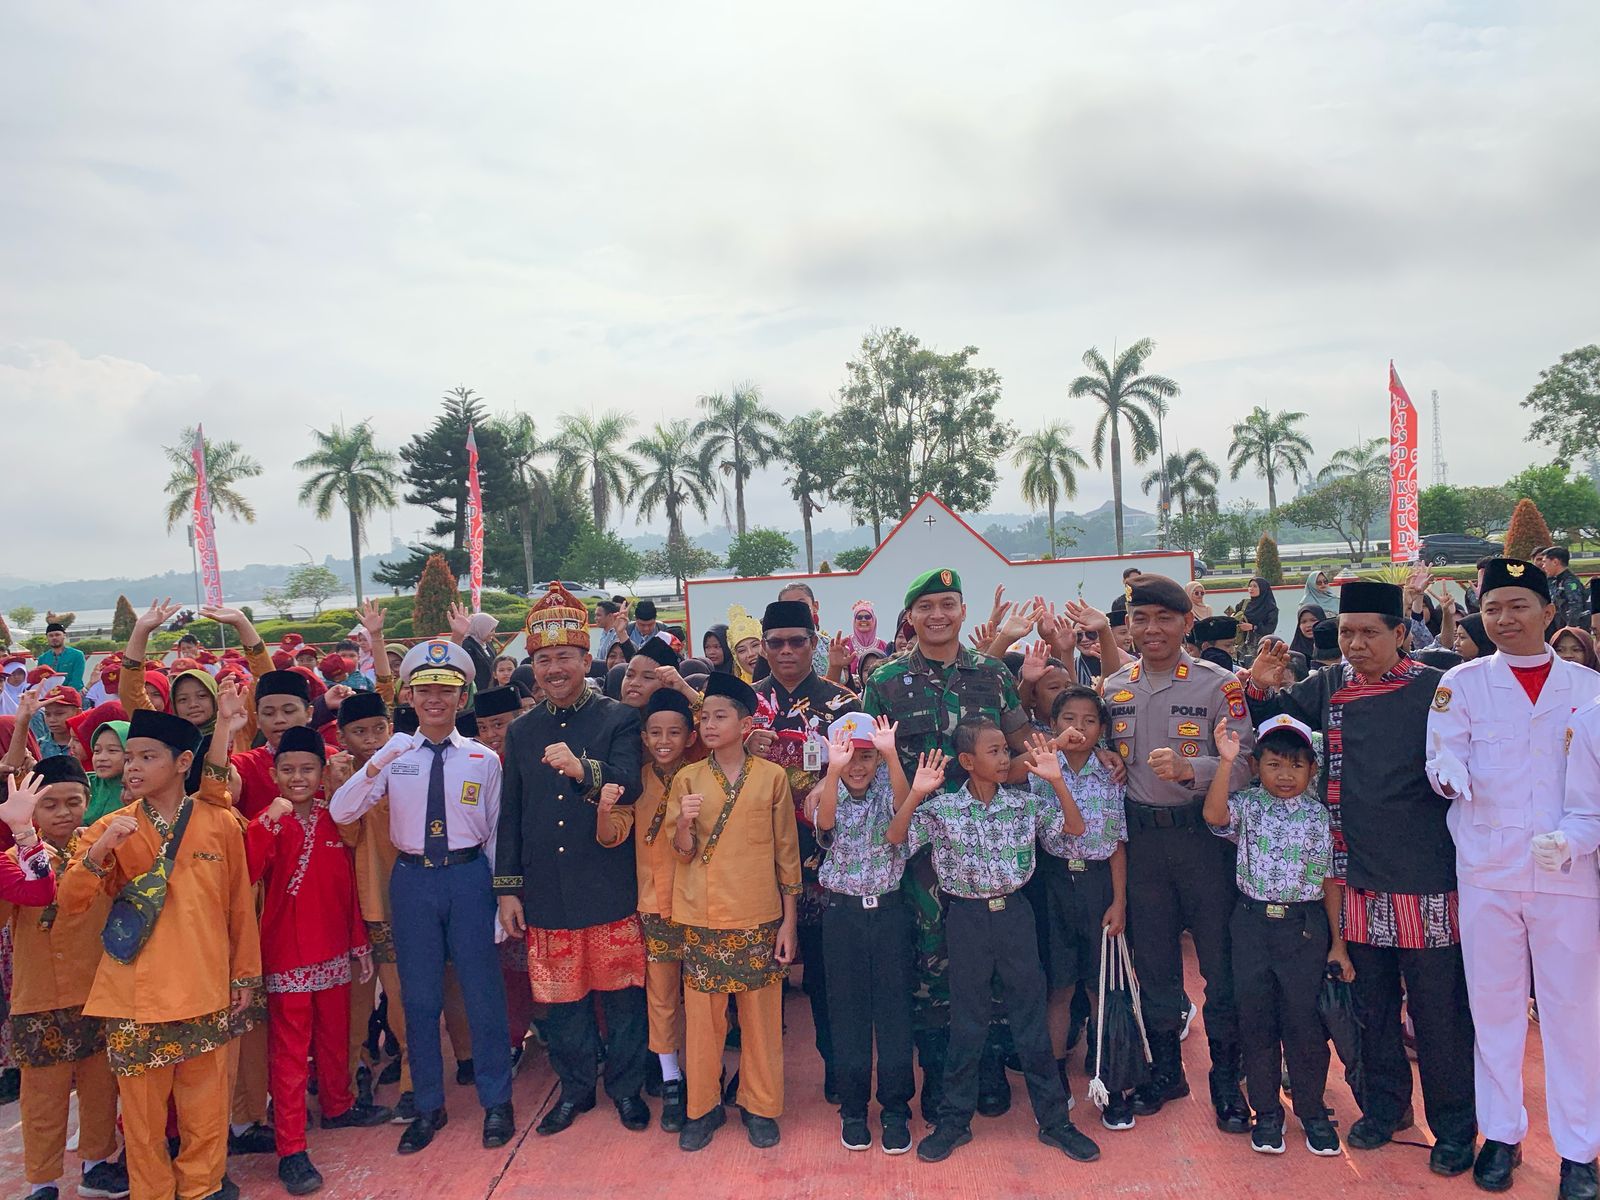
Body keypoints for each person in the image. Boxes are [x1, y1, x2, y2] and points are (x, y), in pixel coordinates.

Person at [1246, 580, 1475, 1176]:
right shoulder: (1328, 685)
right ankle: (1384, 1110)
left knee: (1438, 1015)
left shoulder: (1438, 689)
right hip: (1353, 880)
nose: (1356, 644)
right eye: (1347, 633)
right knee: (1371, 1008)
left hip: (1427, 880)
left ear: (1401, 634)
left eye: (1370, 632)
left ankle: (1454, 1128)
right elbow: (1273, 726)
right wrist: (1259, 687)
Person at [1429, 558, 1600, 1197]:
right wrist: (1449, 775)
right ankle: (1502, 1134)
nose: (1504, 619)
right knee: (1494, 1008)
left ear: (1549, 613)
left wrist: (1578, 839)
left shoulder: (1588, 689)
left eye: (1519, 606)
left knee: (1573, 1016)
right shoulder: (1463, 684)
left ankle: (1580, 1151)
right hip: (1488, 871)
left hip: (1568, 873)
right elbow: (1442, 754)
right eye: (1493, 607)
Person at [861, 567, 1038, 1122]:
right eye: (926, 607)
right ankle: (939, 1073)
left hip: (986, 846)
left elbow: (1023, 744)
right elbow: (866, 758)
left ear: (963, 611)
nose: (937, 615)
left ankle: (987, 1067)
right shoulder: (885, 681)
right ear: (910, 617)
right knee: (931, 960)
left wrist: (1085, 754)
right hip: (921, 849)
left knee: (989, 960)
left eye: (948, 604)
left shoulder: (993, 673)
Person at [63, 708, 261, 1200]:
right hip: (135, 994)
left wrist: (244, 974)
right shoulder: (113, 825)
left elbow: (240, 903)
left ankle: (202, 1187)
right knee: (143, 1116)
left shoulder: (219, 821)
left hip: (205, 984)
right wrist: (101, 850)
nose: (132, 766)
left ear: (182, 762)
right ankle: (150, 1191)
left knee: (206, 1105)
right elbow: (70, 900)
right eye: (129, 757)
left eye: (147, 757)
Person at [328, 639, 515, 1156]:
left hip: (468, 876)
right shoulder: (395, 756)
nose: (435, 699)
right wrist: (378, 762)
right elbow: (342, 812)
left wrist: (500, 897)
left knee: (482, 994)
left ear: (462, 697)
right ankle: (428, 1103)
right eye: (425, 689)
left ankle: (497, 1101)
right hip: (412, 880)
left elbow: (495, 833)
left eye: (446, 690)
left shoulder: (482, 759)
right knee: (419, 997)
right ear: (409, 695)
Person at [888, 718, 1099, 1165]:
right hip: (966, 919)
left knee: (1030, 1018)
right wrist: (916, 793)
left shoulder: (1024, 804)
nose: (1006, 759)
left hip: (1015, 916)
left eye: (1006, 749)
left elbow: (1075, 829)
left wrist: (1057, 782)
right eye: (995, 751)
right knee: (968, 1020)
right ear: (967, 761)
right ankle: (954, 1121)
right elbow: (895, 838)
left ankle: (1055, 1121)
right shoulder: (942, 809)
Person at [495, 585, 648, 1137]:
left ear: (587, 659)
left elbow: (629, 784)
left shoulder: (618, 719)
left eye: (564, 657)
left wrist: (583, 769)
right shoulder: (521, 729)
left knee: (623, 999)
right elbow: (511, 814)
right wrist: (507, 890)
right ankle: (576, 1090)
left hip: (607, 882)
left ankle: (627, 1091)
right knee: (561, 1004)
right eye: (543, 660)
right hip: (547, 890)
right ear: (533, 667)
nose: (554, 668)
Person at [1103, 574, 1253, 1131]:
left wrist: (1195, 768)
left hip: (1203, 842)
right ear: (1128, 625)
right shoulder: (1114, 687)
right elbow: (1100, 748)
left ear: (1187, 623)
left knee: (1220, 964)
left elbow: (1248, 763)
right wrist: (1104, 757)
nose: (1152, 629)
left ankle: (1227, 1080)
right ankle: (1166, 1071)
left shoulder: (1218, 685)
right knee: (1154, 963)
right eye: (1140, 619)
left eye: (1164, 618)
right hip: (1142, 841)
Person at [247, 725, 391, 1194]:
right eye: (288, 770)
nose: (298, 778)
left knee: (335, 1037)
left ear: (322, 772)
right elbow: (247, 870)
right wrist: (269, 822)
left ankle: (338, 1106)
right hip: (285, 956)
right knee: (290, 1055)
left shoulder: (336, 819)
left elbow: (349, 886)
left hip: (333, 951)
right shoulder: (266, 820)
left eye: (307, 769)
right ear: (273, 774)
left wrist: (358, 943)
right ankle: (291, 1148)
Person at [663, 672, 799, 1152]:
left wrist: (789, 922)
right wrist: (684, 823)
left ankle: (760, 1105)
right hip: (703, 914)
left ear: (745, 725)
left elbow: (787, 853)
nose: (708, 725)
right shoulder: (687, 778)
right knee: (703, 1022)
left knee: (761, 1019)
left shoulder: (772, 777)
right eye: (704, 717)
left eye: (720, 717)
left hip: (759, 913)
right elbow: (681, 852)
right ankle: (702, 1107)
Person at [1205, 714, 1351, 1158]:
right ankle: (1267, 1112)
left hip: (1303, 928)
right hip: (1252, 924)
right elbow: (1214, 815)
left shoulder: (1319, 817)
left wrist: (1338, 944)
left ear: (1312, 769)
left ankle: (1311, 1110)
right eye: (1273, 764)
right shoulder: (1248, 806)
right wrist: (1225, 763)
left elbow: (1329, 881)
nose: (1285, 775)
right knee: (1257, 1020)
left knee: (1304, 1024)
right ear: (1257, 766)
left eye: (1296, 765)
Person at [3, 758, 128, 1200]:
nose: (62, 812)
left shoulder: (103, 849)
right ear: (31, 811)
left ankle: (97, 1165)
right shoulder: (14, 861)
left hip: (98, 988)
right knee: (42, 1096)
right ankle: (42, 1182)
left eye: (72, 802)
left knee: (100, 1087)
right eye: (49, 804)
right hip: (39, 996)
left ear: (87, 801)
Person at [747, 598, 856, 1101]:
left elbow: (865, 776)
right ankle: (758, 1077)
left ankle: (838, 1067)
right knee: (758, 976)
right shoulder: (744, 705)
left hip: (826, 858)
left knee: (828, 976)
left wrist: (831, 786)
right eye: (776, 643)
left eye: (797, 641)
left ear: (814, 643)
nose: (786, 651)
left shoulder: (844, 704)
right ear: (763, 648)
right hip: (758, 858)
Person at [812, 712, 916, 1155]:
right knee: (847, 1013)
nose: (858, 766)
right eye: (849, 755)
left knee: (894, 1013)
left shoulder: (887, 787)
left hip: (889, 913)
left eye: (867, 757)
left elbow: (905, 808)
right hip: (843, 918)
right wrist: (832, 771)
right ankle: (853, 1109)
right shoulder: (826, 790)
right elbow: (826, 824)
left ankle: (895, 1108)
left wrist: (891, 756)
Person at [1038, 685, 1130, 1128]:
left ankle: (1108, 1074)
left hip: (1097, 884)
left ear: (1102, 730)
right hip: (1053, 881)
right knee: (1059, 986)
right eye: (1069, 719)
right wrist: (1049, 750)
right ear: (1053, 724)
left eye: (1090, 721)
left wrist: (1119, 900)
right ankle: (1055, 1075)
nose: (1079, 727)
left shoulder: (1110, 773)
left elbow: (1117, 843)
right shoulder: (1040, 767)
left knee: (1100, 986)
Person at [627, 689, 697, 1133]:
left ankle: (708, 1072)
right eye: (656, 732)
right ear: (644, 737)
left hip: (700, 903)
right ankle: (672, 1077)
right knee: (662, 995)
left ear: (691, 736)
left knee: (707, 998)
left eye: (674, 732)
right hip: (655, 904)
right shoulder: (635, 781)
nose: (664, 741)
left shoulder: (703, 776)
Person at [777, 582, 833, 679]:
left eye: (801, 604)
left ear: (815, 606)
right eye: (788, 606)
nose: (795, 610)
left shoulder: (829, 645)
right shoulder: (773, 646)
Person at [1538, 546, 1589, 636]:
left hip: (1571, 630)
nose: (1543, 566)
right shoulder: (1555, 581)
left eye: (1545, 562)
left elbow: (1576, 604)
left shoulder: (1570, 581)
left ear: (1555, 562)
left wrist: (1570, 627)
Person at [36, 624, 86, 692]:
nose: (54, 638)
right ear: (47, 637)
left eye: (57, 635)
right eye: (51, 635)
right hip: (49, 695)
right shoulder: (42, 659)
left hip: (73, 693)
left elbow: (76, 681)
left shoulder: (77, 655)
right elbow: (40, 681)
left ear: (64, 635)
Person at [1239, 577, 1279, 657]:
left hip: (1262, 646)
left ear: (1262, 588)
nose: (1251, 589)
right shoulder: (1244, 604)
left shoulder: (1270, 608)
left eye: (1255, 586)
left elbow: (1270, 628)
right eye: (1250, 586)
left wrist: (1253, 627)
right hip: (1242, 647)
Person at [726, 606, 765, 683]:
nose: (751, 654)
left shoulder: (786, 681)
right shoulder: (735, 689)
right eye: (742, 650)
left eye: (755, 645)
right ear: (736, 658)